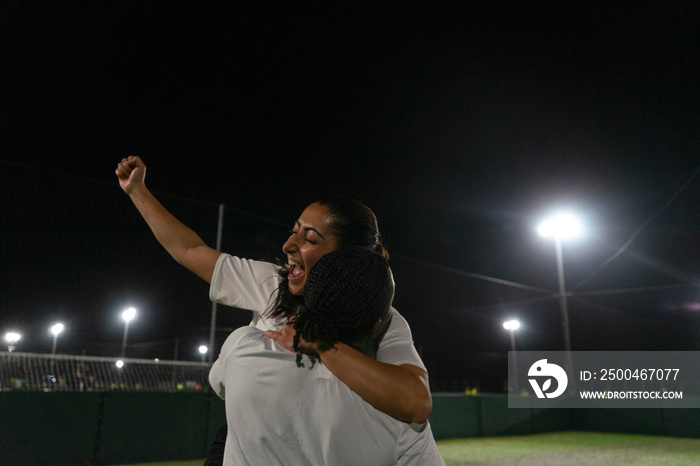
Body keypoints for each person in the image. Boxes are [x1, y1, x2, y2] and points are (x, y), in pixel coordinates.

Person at [115, 155, 431, 423]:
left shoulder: (381, 319)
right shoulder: (272, 283)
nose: (288, 245)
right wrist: (137, 191)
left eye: (310, 239)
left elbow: (416, 404)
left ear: (349, 256)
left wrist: (320, 344)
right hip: (251, 429)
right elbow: (189, 251)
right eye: (294, 232)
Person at [209, 246, 444, 465]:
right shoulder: (399, 422)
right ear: (375, 327)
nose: (290, 245)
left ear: (308, 297)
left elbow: (219, 384)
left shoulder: (242, 345)